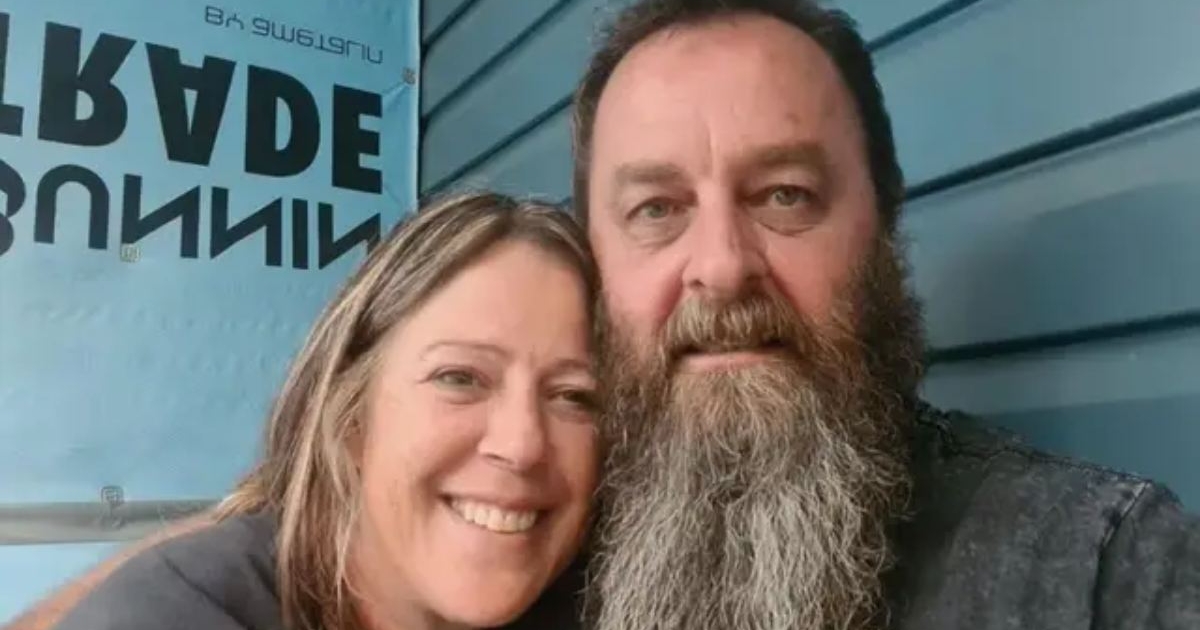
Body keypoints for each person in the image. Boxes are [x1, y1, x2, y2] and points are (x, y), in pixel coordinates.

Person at [8, 0, 1200, 629]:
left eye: (786, 195)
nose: (720, 266)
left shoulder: (1098, 569)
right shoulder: (553, 515)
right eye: (656, 209)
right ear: (602, 258)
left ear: (882, 224)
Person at [41, 192, 600, 630]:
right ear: (350, 416)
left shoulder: (603, 597)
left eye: (574, 396)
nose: (522, 444)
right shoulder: (179, 610)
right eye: (459, 378)